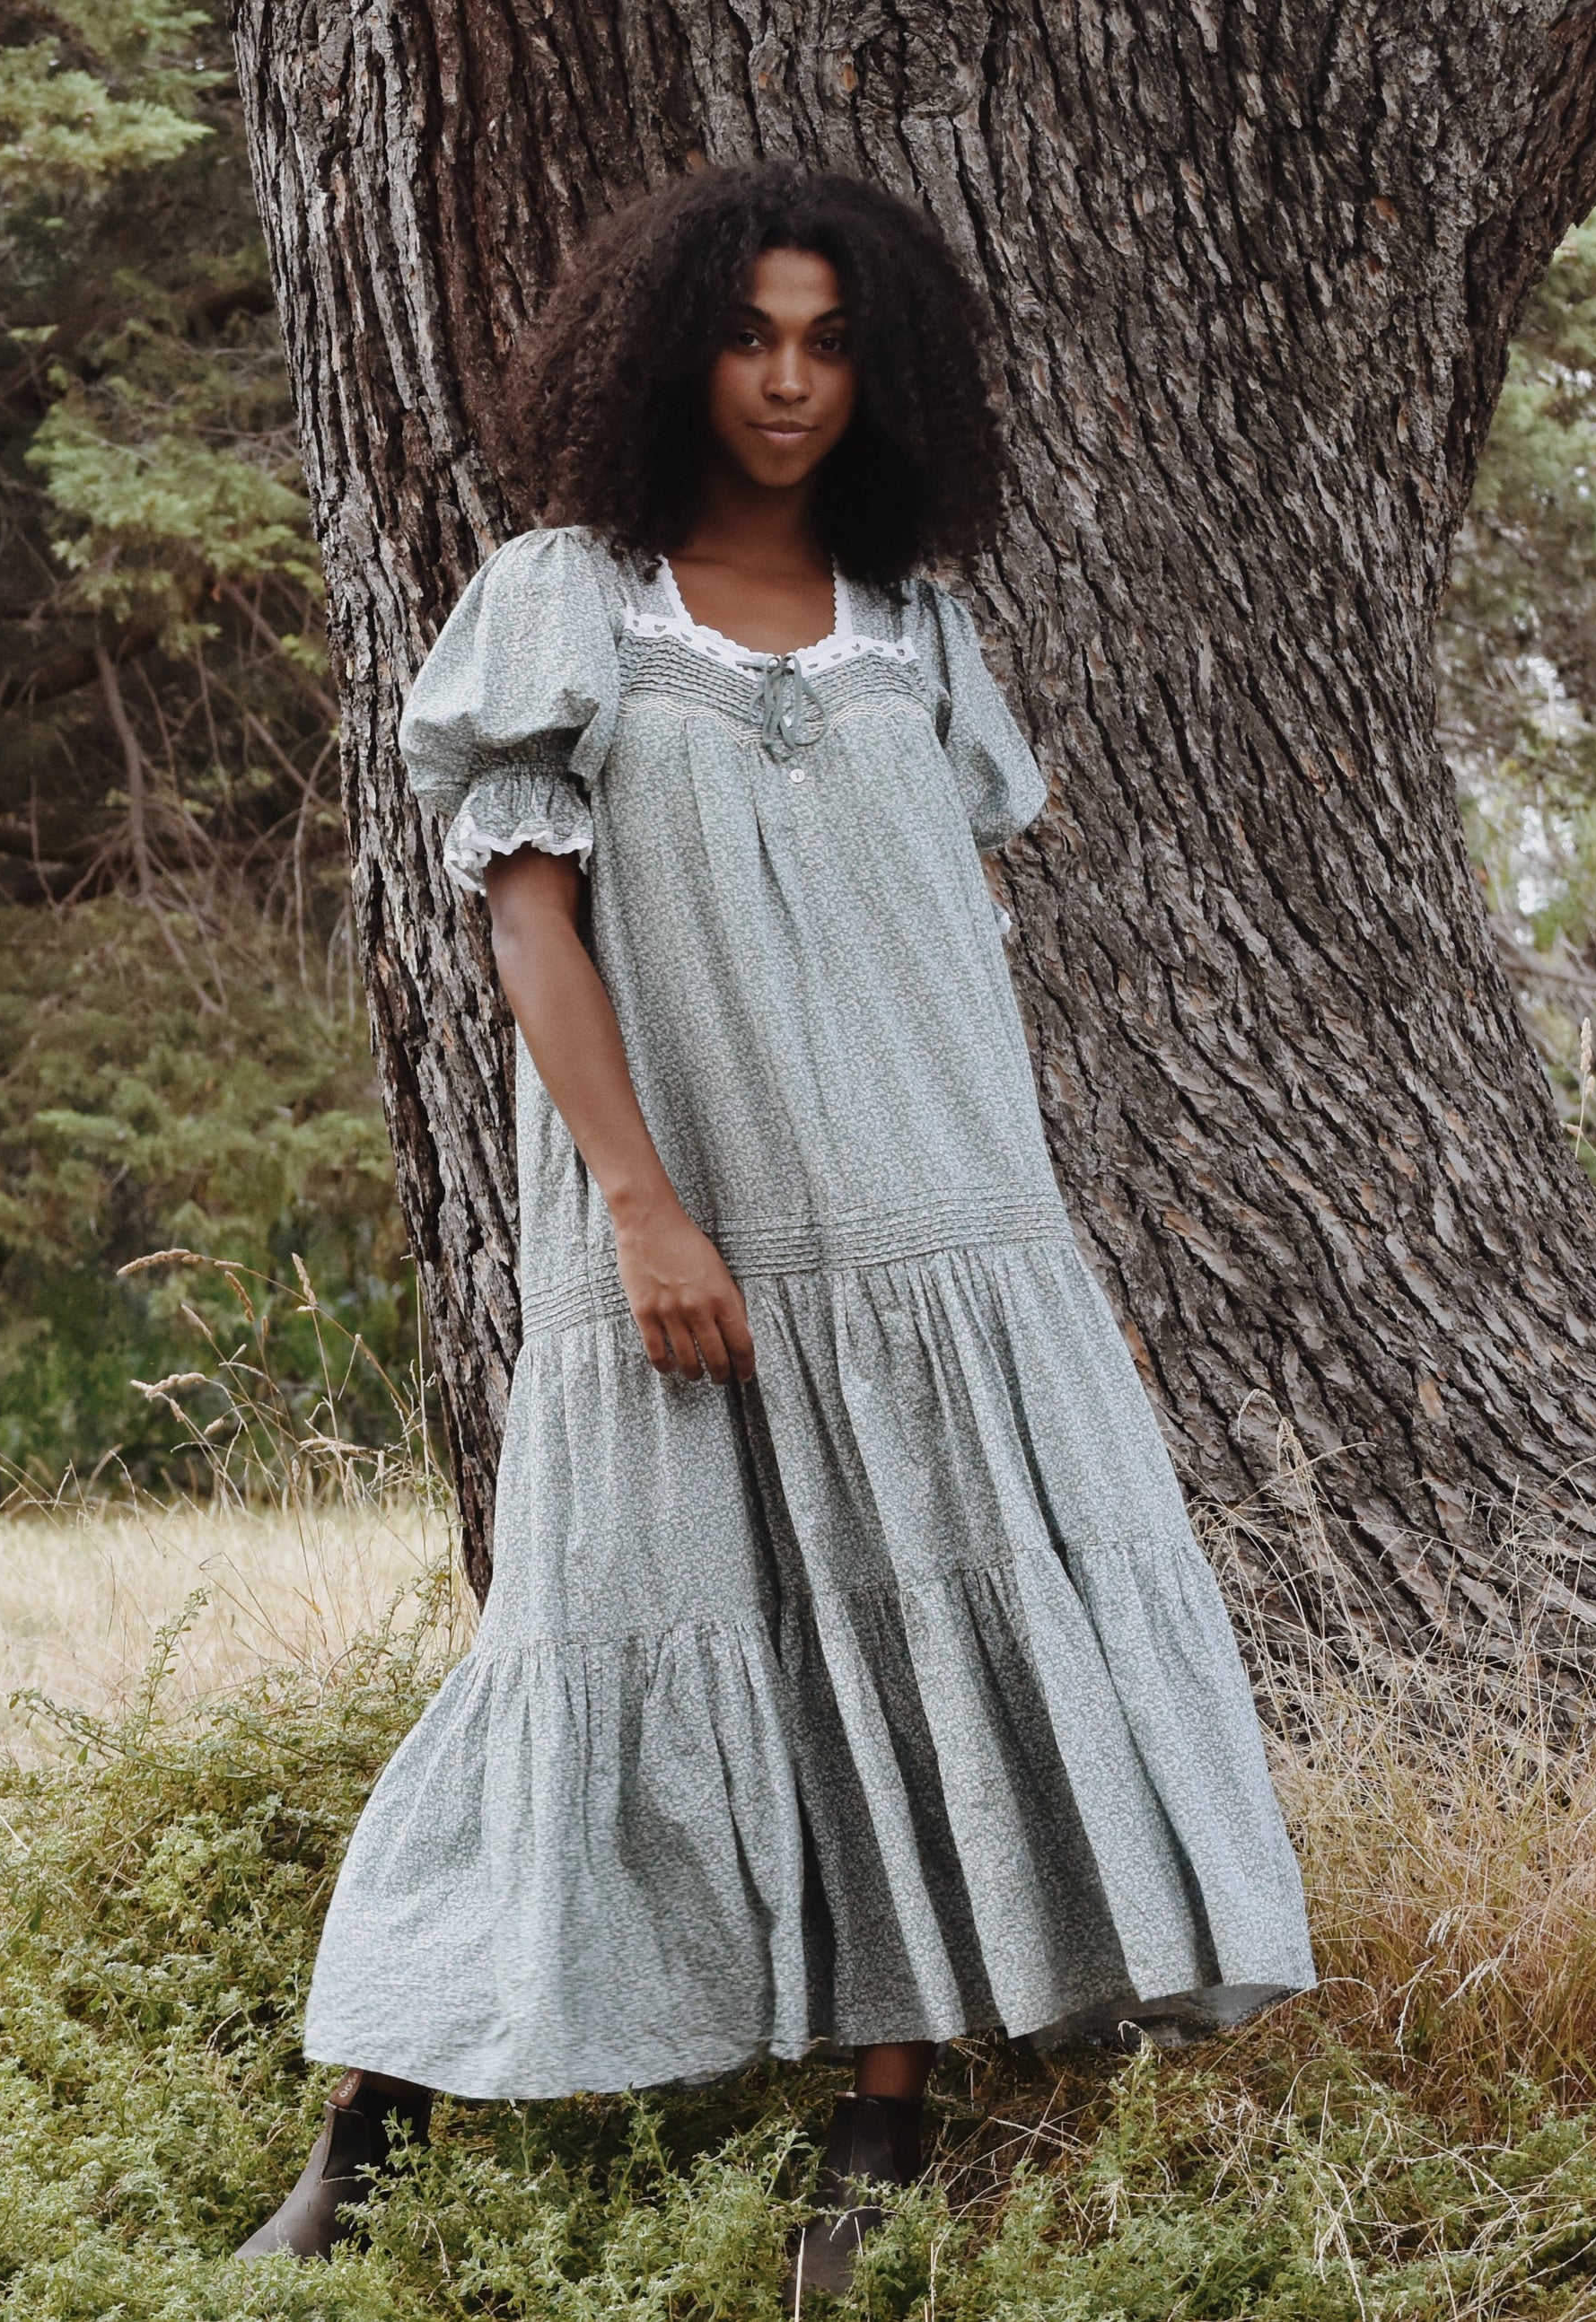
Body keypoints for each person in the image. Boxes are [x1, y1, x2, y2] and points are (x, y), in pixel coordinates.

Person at [236, 160, 1315, 2292]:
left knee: (921, 1651)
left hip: (941, 1234)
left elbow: (951, 936)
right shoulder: (569, 597)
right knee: (586, 1637)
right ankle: (373, 2121)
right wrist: (645, 1212)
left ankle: (879, 2128)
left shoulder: (917, 626)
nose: (789, 381)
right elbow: (528, 927)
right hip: (678, 1228)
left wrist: (1006, 1230)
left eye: (829, 341)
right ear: (669, 355)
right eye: (747, 336)